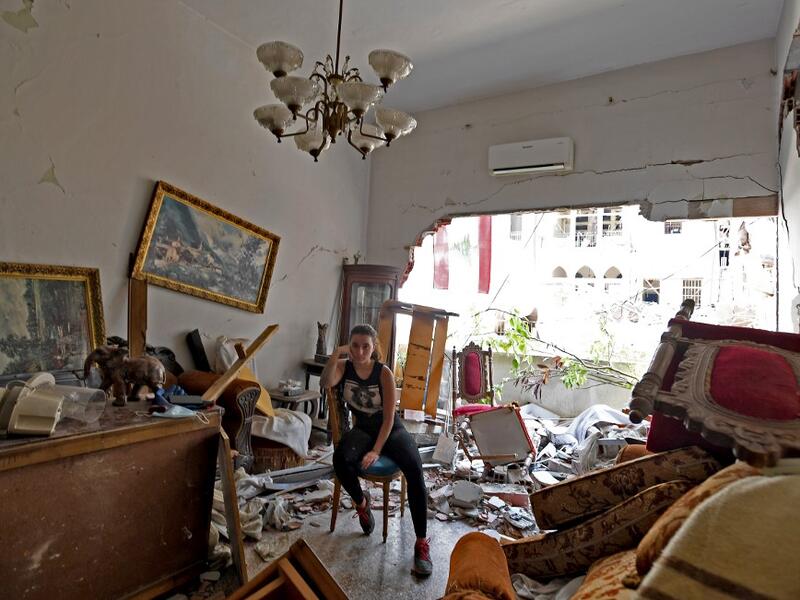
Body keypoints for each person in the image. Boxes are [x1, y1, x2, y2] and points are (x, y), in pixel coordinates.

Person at [320, 324, 432, 577]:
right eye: (355, 345)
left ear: (373, 348)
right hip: (363, 429)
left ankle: (421, 543)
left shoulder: (383, 373)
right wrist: (336, 353)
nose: (360, 351)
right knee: (340, 459)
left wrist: (376, 450)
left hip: (391, 430)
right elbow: (325, 381)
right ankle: (362, 504)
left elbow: (390, 418)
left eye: (365, 346)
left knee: (414, 469)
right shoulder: (343, 367)